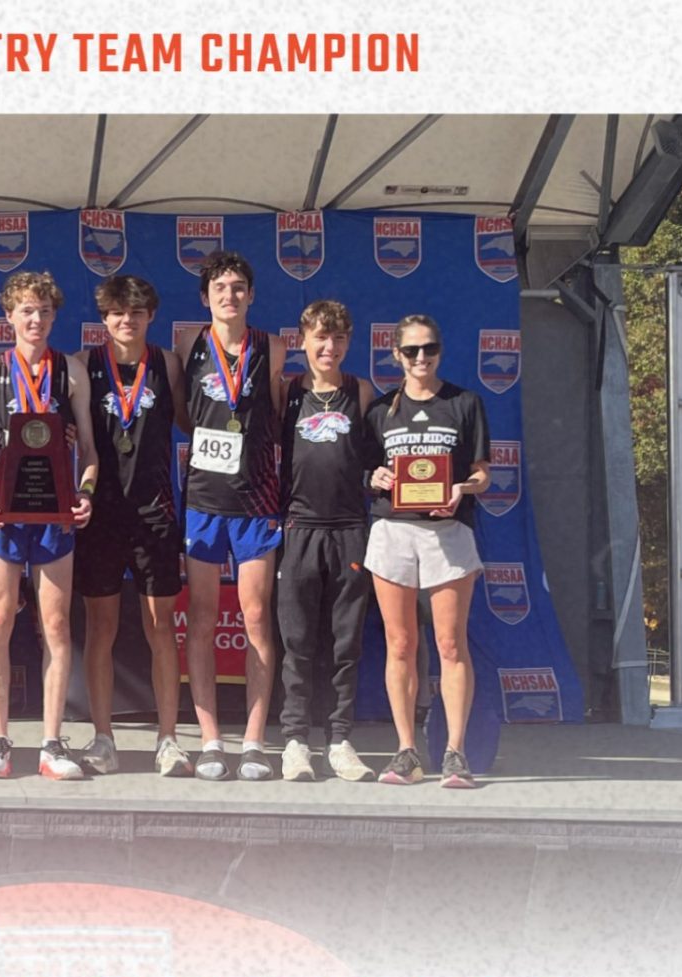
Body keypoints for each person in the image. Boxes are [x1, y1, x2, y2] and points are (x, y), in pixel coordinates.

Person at [0, 270, 100, 780]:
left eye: (45, 311)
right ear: (9, 315)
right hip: (5, 512)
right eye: (26, 310)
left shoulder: (71, 371)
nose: (36, 319)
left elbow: (88, 448)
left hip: (54, 512)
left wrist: (85, 493)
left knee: (57, 624)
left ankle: (51, 743)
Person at [365, 313, 493, 789]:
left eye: (430, 348)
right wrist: (374, 476)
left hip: (449, 531)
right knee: (400, 644)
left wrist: (463, 488)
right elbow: (365, 471)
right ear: (396, 355)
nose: (422, 357)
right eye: (412, 350)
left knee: (450, 644)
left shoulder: (465, 402)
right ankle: (406, 751)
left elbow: (483, 474)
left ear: (440, 351)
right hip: (393, 531)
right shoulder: (381, 410)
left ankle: (455, 752)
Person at [177, 250, 286, 782]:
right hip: (203, 500)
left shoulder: (273, 347)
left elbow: (277, 415)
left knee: (256, 617)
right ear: (206, 297)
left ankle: (255, 741)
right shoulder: (188, 345)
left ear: (251, 295)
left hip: (257, 500)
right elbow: (184, 415)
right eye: (220, 287)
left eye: (238, 286)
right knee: (201, 618)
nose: (230, 295)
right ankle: (211, 740)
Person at [77, 274, 191, 777]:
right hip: (101, 513)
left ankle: (169, 739)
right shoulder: (83, 366)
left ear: (151, 316)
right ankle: (103, 737)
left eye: (137, 311)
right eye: (118, 312)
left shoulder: (167, 364)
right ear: (104, 318)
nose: (128, 320)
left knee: (161, 627)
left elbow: (191, 422)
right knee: (99, 627)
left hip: (154, 511)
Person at [274, 298, 384, 783]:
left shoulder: (361, 391)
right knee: (297, 643)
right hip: (300, 529)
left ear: (348, 343)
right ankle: (295, 741)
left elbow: (374, 460)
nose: (329, 347)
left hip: (350, 530)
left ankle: (339, 740)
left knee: (345, 644)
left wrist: (378, 476)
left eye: (338, 338)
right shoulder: (287, 393)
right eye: (320, 337)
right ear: (302, 341)